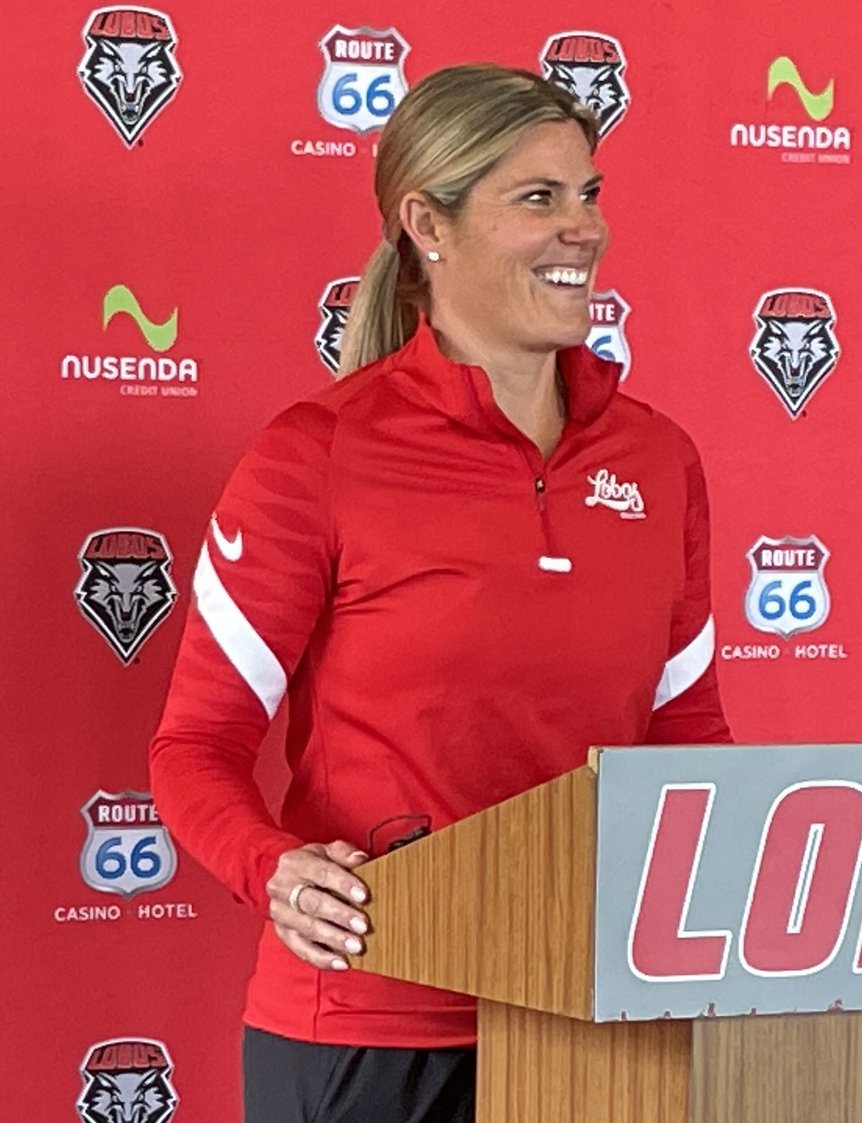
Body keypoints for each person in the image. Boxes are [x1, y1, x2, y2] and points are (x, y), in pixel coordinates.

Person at [149, 63, 731, 1123]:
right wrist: (272, 868)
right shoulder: (315, 456)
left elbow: (688, 733)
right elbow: (194, 745)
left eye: (590, 194)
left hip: (591, 1017)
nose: (583, 231)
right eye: (539, 199)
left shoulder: (660, 460)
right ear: (428, 222)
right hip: (373, 1032)